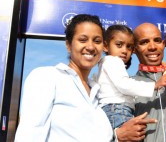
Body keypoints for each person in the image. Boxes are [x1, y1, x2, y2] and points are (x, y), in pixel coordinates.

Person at [14, 14, 157, 142]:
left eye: (97, 41)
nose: (90, 46)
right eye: (83, 40)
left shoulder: (98, 91)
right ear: (69, 45)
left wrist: (117, 135)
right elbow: (30, 133)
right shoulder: (46, 77)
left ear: (103, 47)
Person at [97, 24, 166, 129]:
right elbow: (124, 84)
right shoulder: (113, 61)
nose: (124, 50)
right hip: (117, 110)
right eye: (119, 45)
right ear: (105, 46)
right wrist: (154, 85)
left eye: (128, 47)